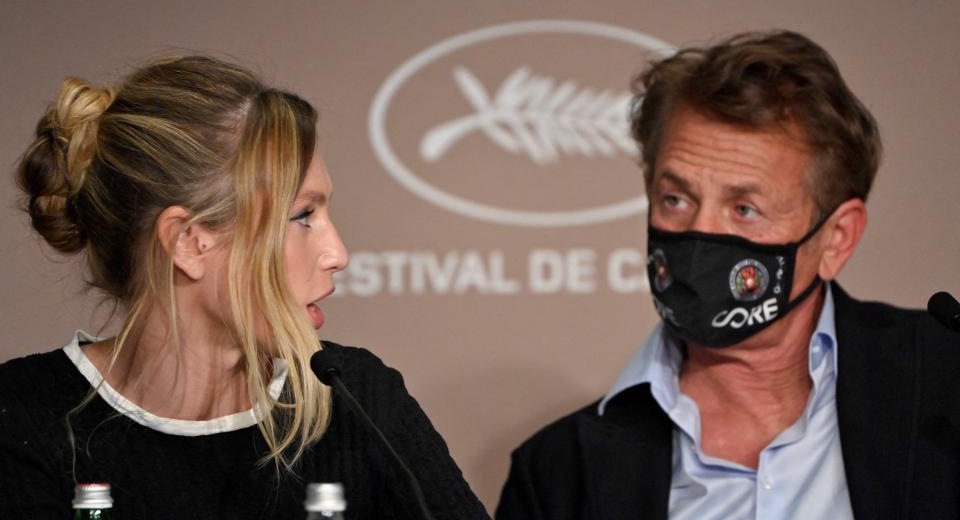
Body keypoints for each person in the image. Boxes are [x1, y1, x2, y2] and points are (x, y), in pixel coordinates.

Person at [496, 31, 960, 519]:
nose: (700, 234)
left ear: (837, 237)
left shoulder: (945, 388)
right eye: (676, 199)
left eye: (744, 208)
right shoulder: (557, 475)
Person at [0, 56, 489, 519]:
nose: (337, 254)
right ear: (190, 243)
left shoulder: (358, 400)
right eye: (302, 216)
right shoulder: (22, 418)